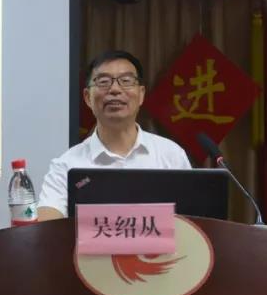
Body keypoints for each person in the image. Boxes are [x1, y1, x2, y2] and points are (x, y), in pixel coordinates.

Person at [37, 50, 192, 220]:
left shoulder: (171, 155)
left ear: (141, 94)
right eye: (103, 82)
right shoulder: (66, 165)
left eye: (126, 81)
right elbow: (47, 224)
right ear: (87, 97)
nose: (115, 89)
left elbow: (193, 222)